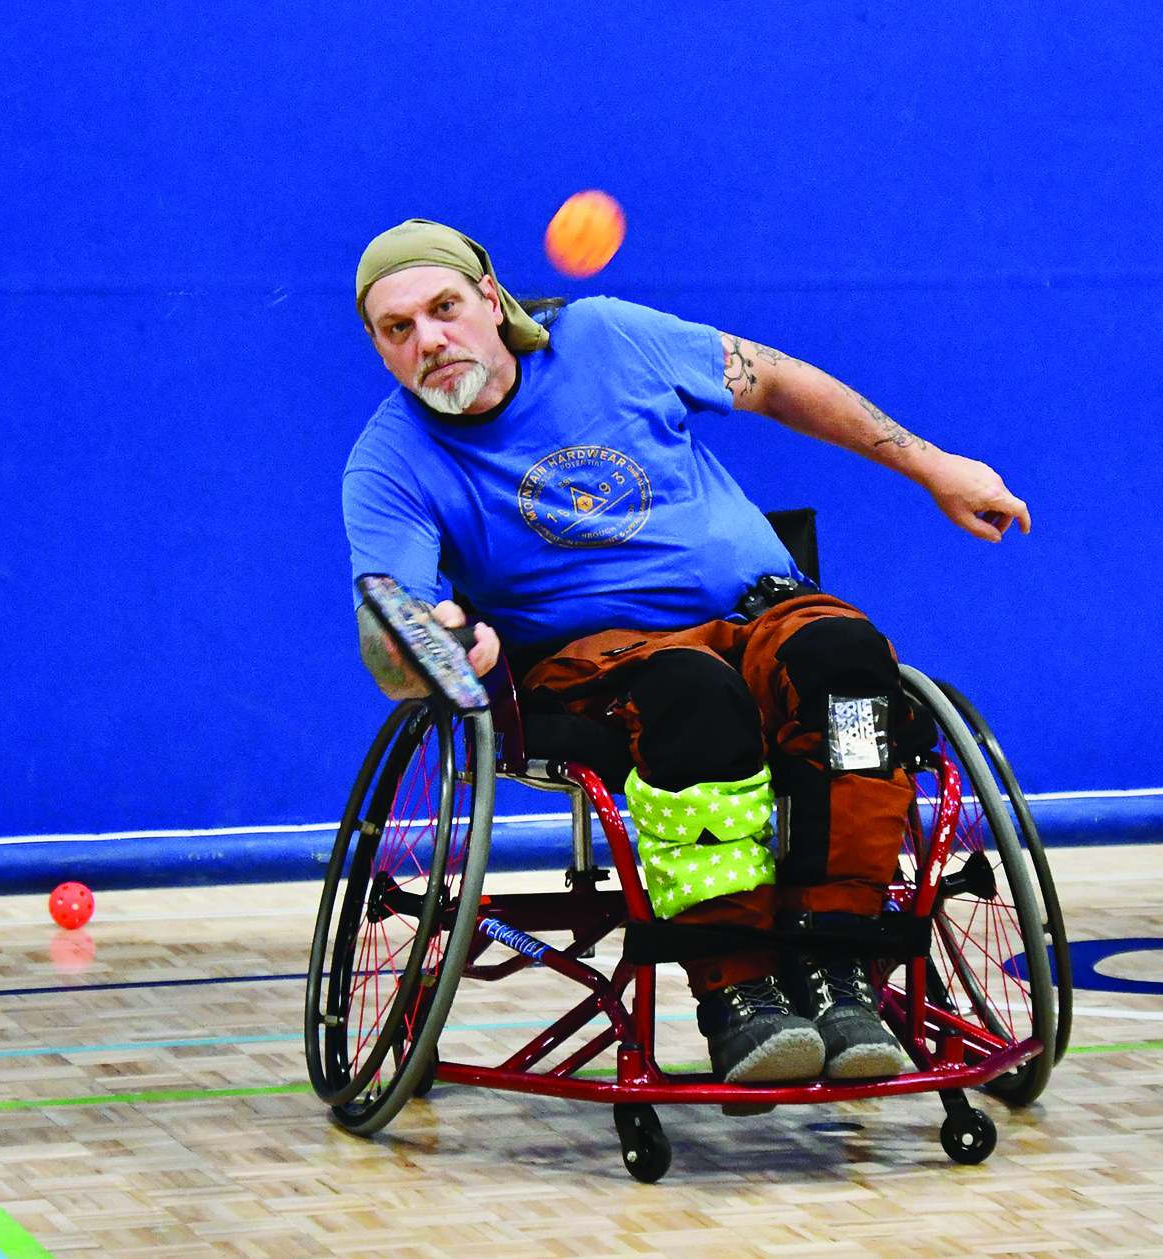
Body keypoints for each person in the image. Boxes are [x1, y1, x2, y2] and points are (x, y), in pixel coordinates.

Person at [344, 219, 1030, 1095]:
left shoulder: (605, 336)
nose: (429, 340)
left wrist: (934, 467)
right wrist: (439, 650)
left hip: (762, 614)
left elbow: (776, 382)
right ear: (378, 346)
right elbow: (390, 630)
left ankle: (843, 966)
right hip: (602, 663)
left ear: (490, 297)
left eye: (443, 308)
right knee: (695, 698)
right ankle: (738, 991)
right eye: (397, 329)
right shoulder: (389, 461)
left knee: (849, 666)